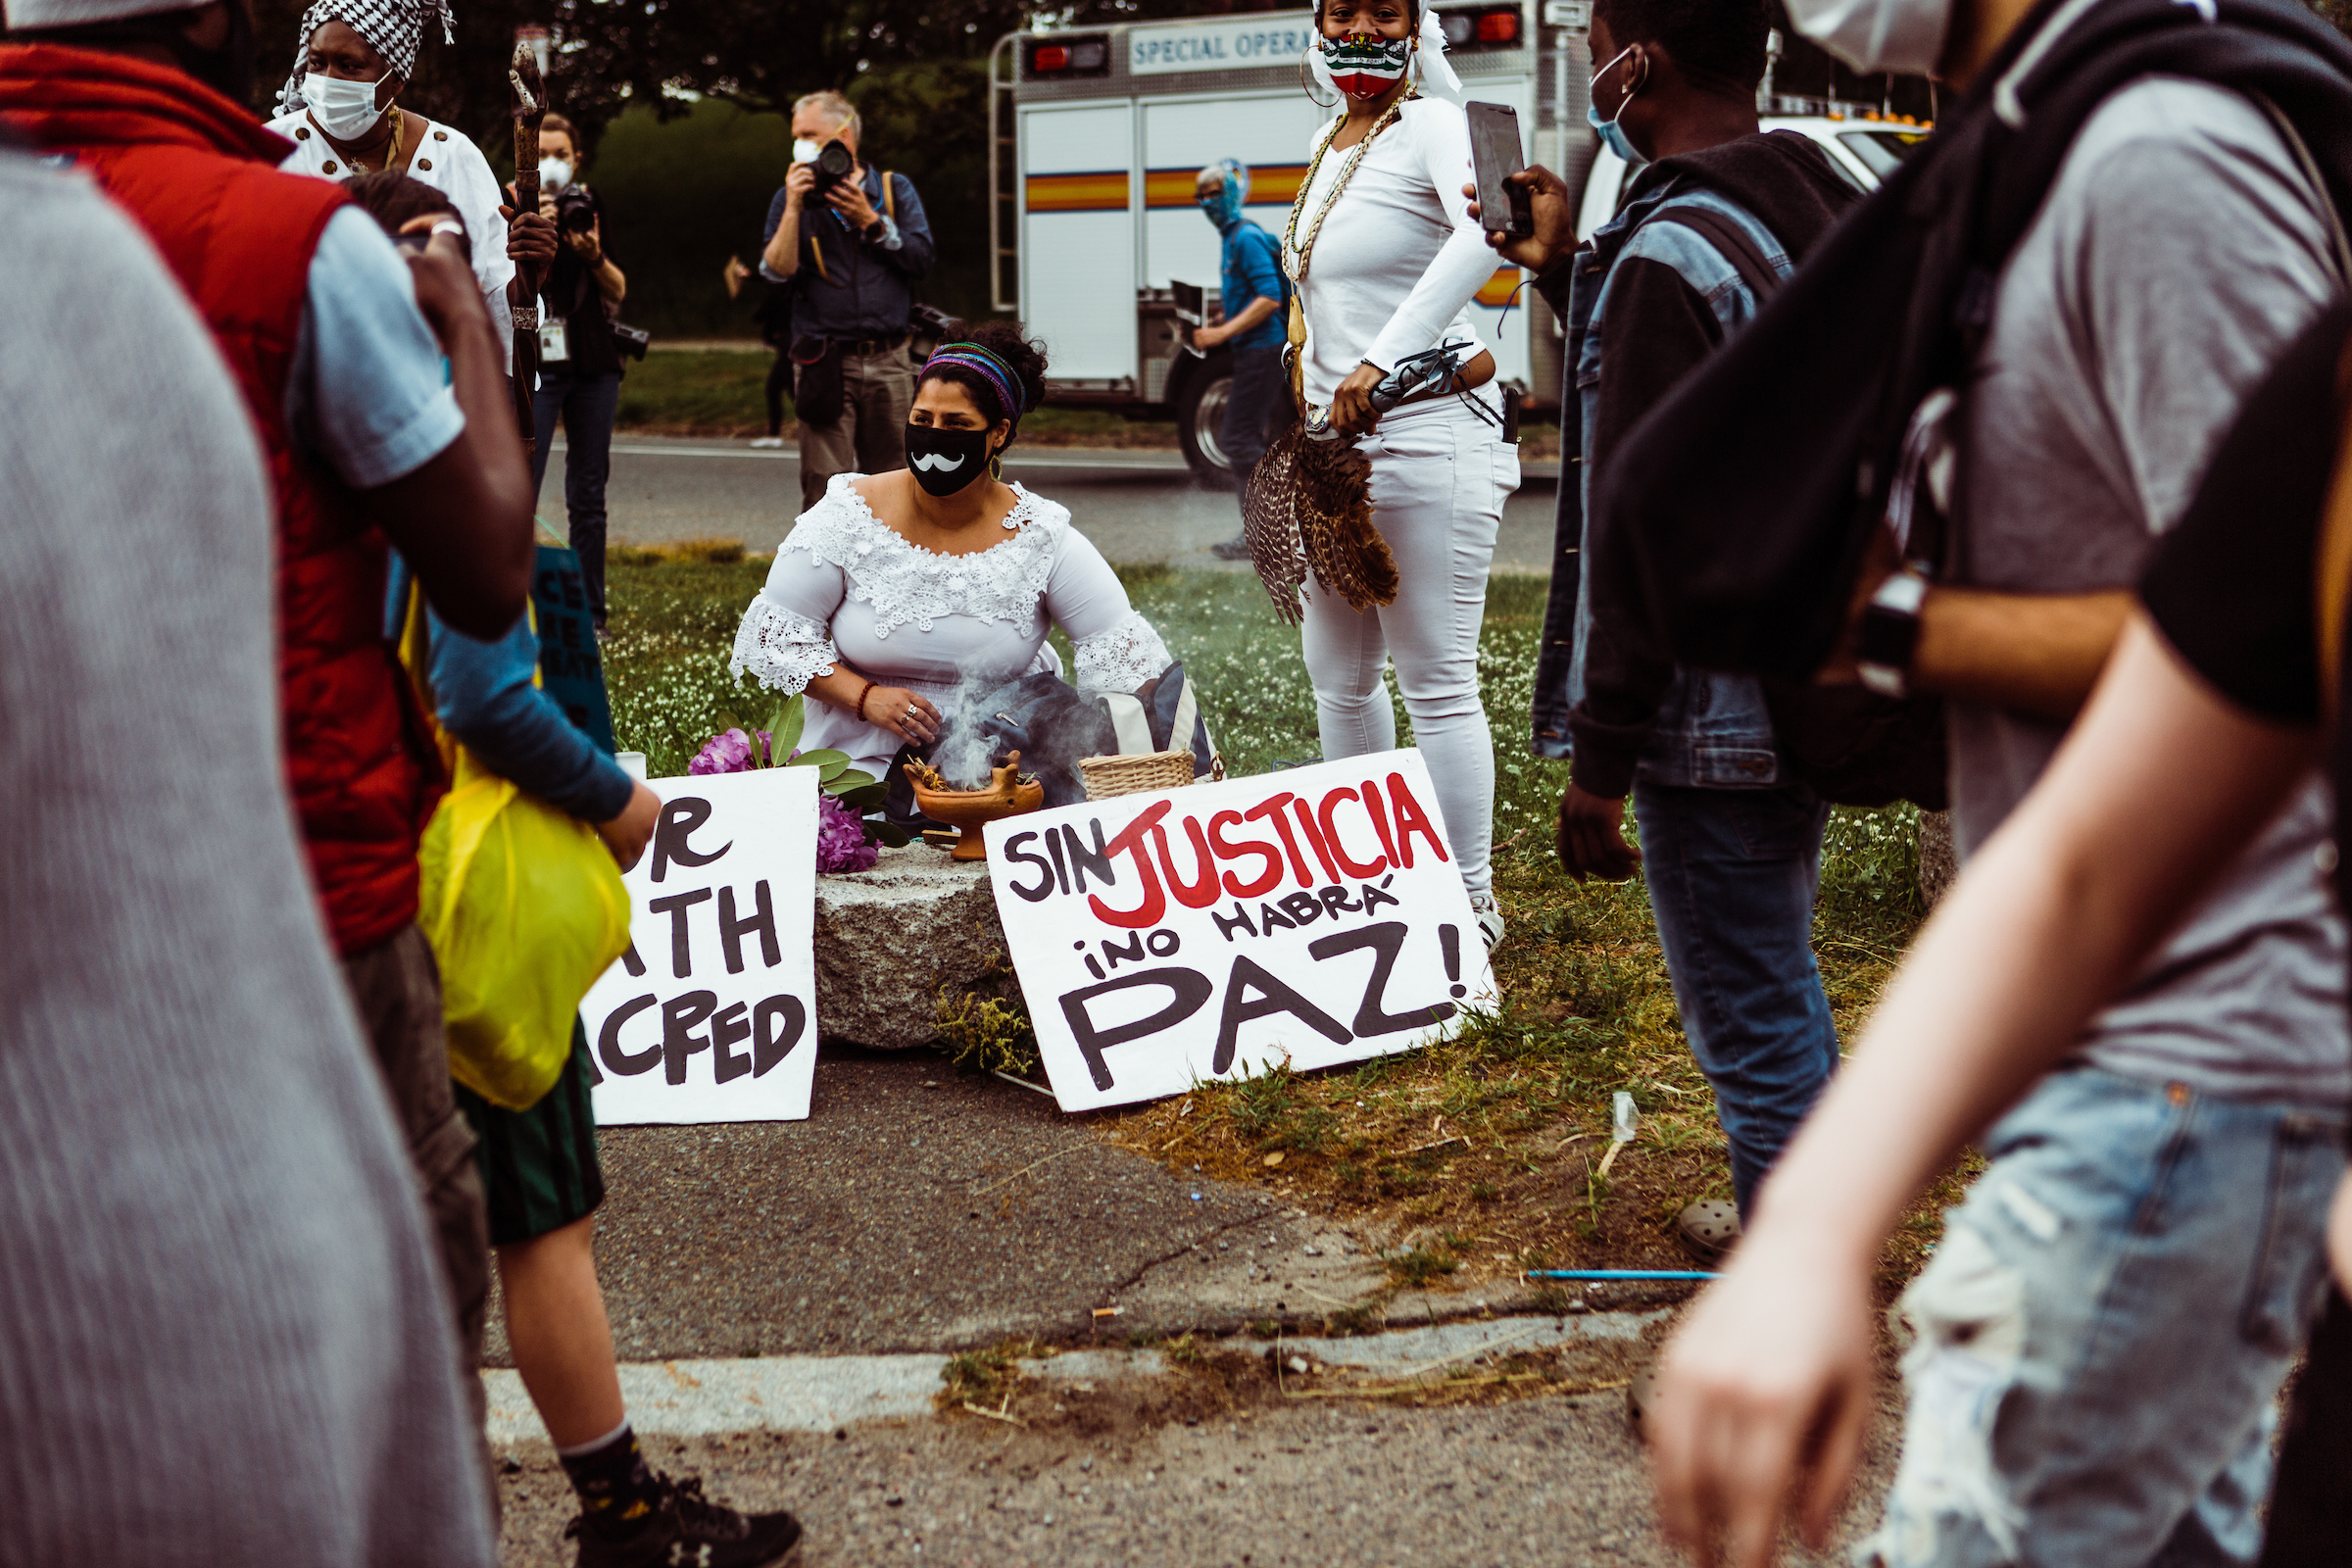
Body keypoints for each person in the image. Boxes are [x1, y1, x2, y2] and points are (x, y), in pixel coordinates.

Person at [1624, 0, 2352, 1549]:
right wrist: (1813, 1232)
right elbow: (2135, 790)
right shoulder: (2030, 146)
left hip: (2199, 1054)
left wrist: (1893, 624)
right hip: (2127, 1051)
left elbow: (2274, 661)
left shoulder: (2162, 164)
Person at [0, 0, 539, 1458]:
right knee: (394, 1343)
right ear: (222, 21)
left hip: (37, 893)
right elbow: (486, 572)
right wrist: (443, 305)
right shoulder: (290, 243)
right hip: (301, 881)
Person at [1477, 0, 1860, 1241]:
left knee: (1750, 1025)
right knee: (1778, 978)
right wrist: (1560, 270)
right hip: (1808, 673)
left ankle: (1792, 1310)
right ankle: (1795, 1221)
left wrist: (1602, 761)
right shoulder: (1812, 201)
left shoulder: (1660, 262)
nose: (1591, 69)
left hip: (1706, 718)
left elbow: (1640, 534)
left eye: (1594, 47)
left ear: (1634, 65)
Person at [1282, 0, 1520, 951]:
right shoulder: (1328, 140)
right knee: (1338, 674)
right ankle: (1370, 877)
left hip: (1426, 432)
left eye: (1384, 10)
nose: (1361, 27)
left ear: (1416, 25)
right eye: (1344, 9)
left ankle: (1468, 898)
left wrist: (1381, 360)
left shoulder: (1430, 123)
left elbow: (1485, 233)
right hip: (1333, 453)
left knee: (1435, 676)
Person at [729, 324, 1173, 779]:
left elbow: (1128, 660)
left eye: (956, 425)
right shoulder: (848, 514)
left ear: (998, 434)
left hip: (1002, 768)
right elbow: (776, 639)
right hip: (856, 763)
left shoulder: (1041, 536)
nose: (934, 437)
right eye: (922, 421)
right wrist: (867, 698)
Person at [267, 0, 558, 375]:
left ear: (396, 79)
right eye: (317, 63)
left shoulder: (453, 156)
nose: (327, 80)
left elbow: (491, 307)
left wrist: (530, 273)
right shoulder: (267, 153)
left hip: (436, 398)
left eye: (349, 66)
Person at [760, 88, 936, 511]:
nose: (799, 143)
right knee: (824, 489)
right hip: (824, 362)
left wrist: (871, 221)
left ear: (844, 136)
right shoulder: (792, 198)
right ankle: (825, 576)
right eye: (796, 135)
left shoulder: (893, 189)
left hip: (891, 360)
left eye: (809, 134)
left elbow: (922, 259)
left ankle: (891, 577)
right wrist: (794, 207)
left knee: (896, 483)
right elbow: (775, 271)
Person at [527, 111, 628, 634]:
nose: (550, 164)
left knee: (588, 496)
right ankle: (515, 608)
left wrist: (590, 255)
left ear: (576, 158)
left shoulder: (585, 204)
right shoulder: (508, 201)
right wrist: (530, 226)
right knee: (522, 483)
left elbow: (618, 289)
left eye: (560, 155)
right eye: (541, 153)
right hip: (535, 365)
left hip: (592, 362)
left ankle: (593, 616)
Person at [1190, 157, 1291, 562]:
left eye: (1214, 193)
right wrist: (1223, 316)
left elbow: (1269, 297)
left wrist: (1219, 333)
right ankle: (1269, 530)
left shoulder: (1244, 238)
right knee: (1244, 439)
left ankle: (1265, 533)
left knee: (1236, 439)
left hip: (1263, 351)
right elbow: (1252, 295)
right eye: (1201, 196)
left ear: (1232, 194)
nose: (1206, 202)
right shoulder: (1231, 237)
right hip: (1255, 351)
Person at [723, 250, 795, 449]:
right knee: (777, 389)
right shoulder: (785, 285)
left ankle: (816, 433)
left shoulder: (779, 293)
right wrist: (748, 275)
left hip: (787, 346)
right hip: (788, 346)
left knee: (790, 391)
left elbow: (759, 316)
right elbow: (766, 280)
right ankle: (774, 435)